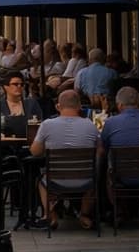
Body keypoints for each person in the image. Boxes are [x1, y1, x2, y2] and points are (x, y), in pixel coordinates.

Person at [30, 88, 100, 229]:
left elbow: (35, 152)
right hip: (85, 181)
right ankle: (84, 214)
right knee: (95, 179)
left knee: (41, 182)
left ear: (58, 106)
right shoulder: (91, 126)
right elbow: (100, 151)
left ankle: (51, 214)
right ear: (80, 106)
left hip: (55, 181)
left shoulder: (47, 125)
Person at [74, 48, 117, 115]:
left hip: (88, 109)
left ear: (89, 59)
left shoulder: (81, 73)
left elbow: (76, 92)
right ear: (103, 59)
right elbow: (115, 89)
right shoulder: (112, 73)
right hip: (107, 108)